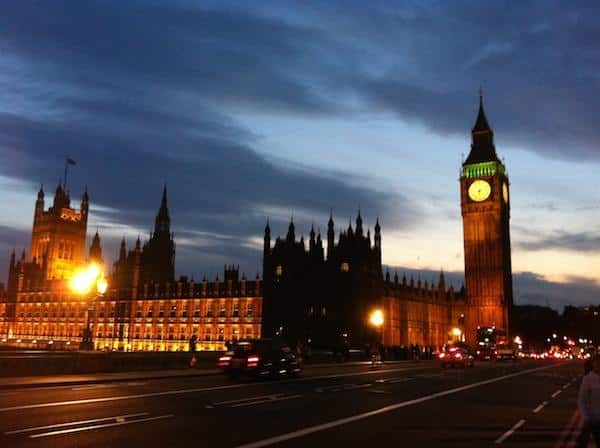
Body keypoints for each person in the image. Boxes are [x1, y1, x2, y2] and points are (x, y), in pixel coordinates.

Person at [577, 356, 600, 447]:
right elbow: (582, 400)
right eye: (597, 363)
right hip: (593, 419)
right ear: (593, 365)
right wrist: (586, 417)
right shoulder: (588, 379)